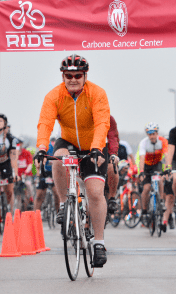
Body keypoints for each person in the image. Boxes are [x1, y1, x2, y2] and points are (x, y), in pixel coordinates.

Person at [33, 54, 110, 267]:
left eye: (77, 75)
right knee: (57, 159)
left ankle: (99, 244)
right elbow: (45, 123)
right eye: (68, 75)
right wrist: (41, 147)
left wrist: (96, 148)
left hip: (93, 144)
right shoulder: (54, 96)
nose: (73, 79)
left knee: (95, 193)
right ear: (63, 76)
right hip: (68, 141)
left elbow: (103, 122)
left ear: (85, 75)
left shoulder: (97, 93)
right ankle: (64, 202)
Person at [138, 122, 169, 231]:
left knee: (160, 180)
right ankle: (145, 210)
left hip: (157, 165)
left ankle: (161, 201)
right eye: (149, 134)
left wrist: (166, 169)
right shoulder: (144, 143)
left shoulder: (163, 141)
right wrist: (141, 171)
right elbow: (141, 158)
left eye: (154, 133)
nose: (152, 136)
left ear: (157, 133)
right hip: (146, 166)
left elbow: (166, 155)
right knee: (146, 188)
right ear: (147, 134)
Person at [0, 114, 19, 214]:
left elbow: (13, 158)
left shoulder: (10, 139)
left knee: (9, 192)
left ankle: (10, 213)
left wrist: (15, 173)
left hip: (6, 165)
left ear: (5, 124)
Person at [34, 138, 60, 211]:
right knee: (39, 195)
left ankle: (58, 213)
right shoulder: (47, 147)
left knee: (56, 194)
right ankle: (36, 215)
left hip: (54, 173)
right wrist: (38, 175)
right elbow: (38, 162)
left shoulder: (59, 148)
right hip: (44, 172)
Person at [105, 115, 120, 214]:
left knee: (111, 167)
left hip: (104, 148)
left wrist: (113, 154)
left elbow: (113, 138)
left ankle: (112, 197)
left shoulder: (109, 118)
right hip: (84, 148)